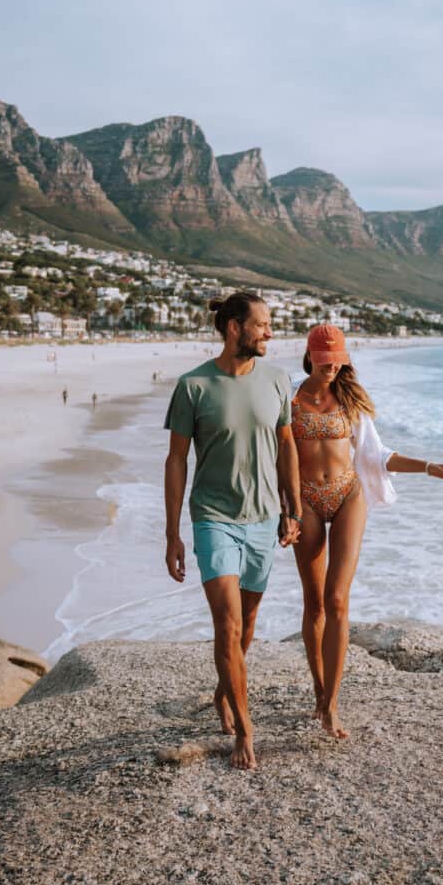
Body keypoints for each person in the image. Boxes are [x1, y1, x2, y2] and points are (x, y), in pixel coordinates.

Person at [291, 324, 443, 740]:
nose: (331, 366)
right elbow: (272, 453)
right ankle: (318, 687)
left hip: (347, 495)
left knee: (337, 598)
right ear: (310, 356)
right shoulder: (288, 399)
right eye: (324, 359)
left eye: (338, 359)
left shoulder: (350, 401)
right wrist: (284, 509)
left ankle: (331, 704)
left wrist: (426, 466)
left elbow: (376, 454)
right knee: (314, 604)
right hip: (306, 500)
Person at [163, 292, 302, 770]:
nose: (269, 333)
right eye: (261, 325)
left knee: (248, 623)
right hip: (213, 517)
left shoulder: (279, 380)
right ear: (234, 328)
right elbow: (177, 460)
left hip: (264, 518)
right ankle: (245, 729)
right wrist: (172, 533)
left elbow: (287, 447)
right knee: (228, 624)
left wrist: (294, 510)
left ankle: (225, 691)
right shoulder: (193, 386)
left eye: (268, 325)